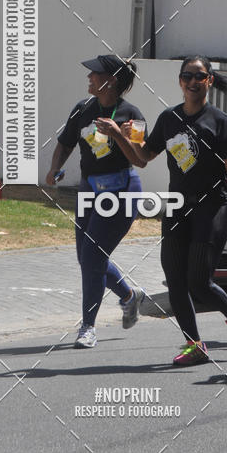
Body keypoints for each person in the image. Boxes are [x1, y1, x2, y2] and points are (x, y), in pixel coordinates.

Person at [128, 56, 227, 367]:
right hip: (177, 208)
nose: (192, 81)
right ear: (180, 81)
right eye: (187, 76)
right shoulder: (168, 119)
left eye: (199, 76)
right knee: (174, 279)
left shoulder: (221, 122)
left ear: (209, 81)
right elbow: (143, 157)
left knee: (199, 283)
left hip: (212, 207)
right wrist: (124, 137)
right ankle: (194, 344)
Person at [46, 55, 145, 349]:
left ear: (110, 79)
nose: (89, 78)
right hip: (90, 190)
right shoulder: (83, 109)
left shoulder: (132, 115)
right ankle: (129, 296)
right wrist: (54, 168)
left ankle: (88, 327)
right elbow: (65, 143)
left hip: (121, 191)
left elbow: (140, 159)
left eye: (95, 74)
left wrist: (117, 133)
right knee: (88, 259)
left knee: (92, 258)